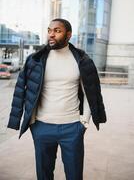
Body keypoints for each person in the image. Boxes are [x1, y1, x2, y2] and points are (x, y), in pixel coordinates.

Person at [7, 18, 107, 180]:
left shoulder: (82, 60)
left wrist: (85, 121)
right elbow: (20, 90)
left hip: (72, 128)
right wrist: (31, 121)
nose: (51, 35)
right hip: (41, 127)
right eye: (49, 30)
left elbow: (91, 93)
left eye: (57, 31)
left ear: (68, 35)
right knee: (44, 175)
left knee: (74, 175)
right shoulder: (35, 59)